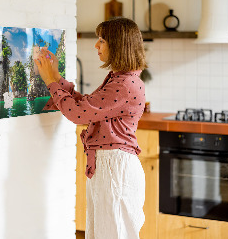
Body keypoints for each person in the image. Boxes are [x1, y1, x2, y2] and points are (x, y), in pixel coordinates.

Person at [35, 17, 147, 239]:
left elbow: (78, 114)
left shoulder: (124, 84)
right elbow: (86, 106)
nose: (96, 45)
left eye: (102, 40)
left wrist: (50, 81)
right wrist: (56, 77)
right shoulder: (120, 79)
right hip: (110, 166)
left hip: (115, 168)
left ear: (118, 45)